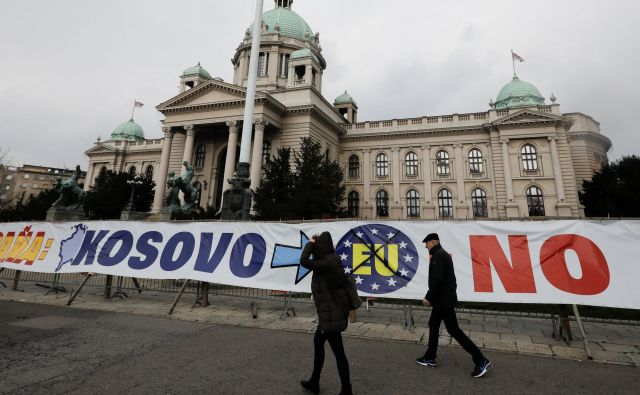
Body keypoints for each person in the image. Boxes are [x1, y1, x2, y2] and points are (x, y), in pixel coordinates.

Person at [416, 233, 492, 378]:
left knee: (454, 330)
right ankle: (430, 357)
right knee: (433, 324)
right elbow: (451, 280)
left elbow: (438, 280)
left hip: (443, 302)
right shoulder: (442, 255)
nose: (425, 246)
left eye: (426, 243)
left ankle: (481, 360)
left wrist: (428, 297)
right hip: (442, 301)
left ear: (433, 242)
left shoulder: (439, 256)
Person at [299, 231, 353, 395]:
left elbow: (303, 261)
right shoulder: (332, 260)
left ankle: (346, 390)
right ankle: (315, 381)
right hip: (331, 312)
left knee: (339, 352)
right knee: (318, 342)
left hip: (331, 315)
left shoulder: (327, 263)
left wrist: (309, 244)